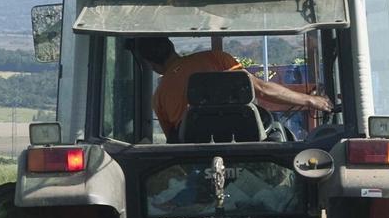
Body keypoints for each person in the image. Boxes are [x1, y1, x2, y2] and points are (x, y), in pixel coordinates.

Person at [133, 37, 332, 142]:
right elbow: (261, 89)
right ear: (171, 47)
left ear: (151, 64)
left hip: (197, 161)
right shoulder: (216, 59)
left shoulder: (159, 95)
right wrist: (310, 100)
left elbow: (175, 140)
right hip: (248, 145)